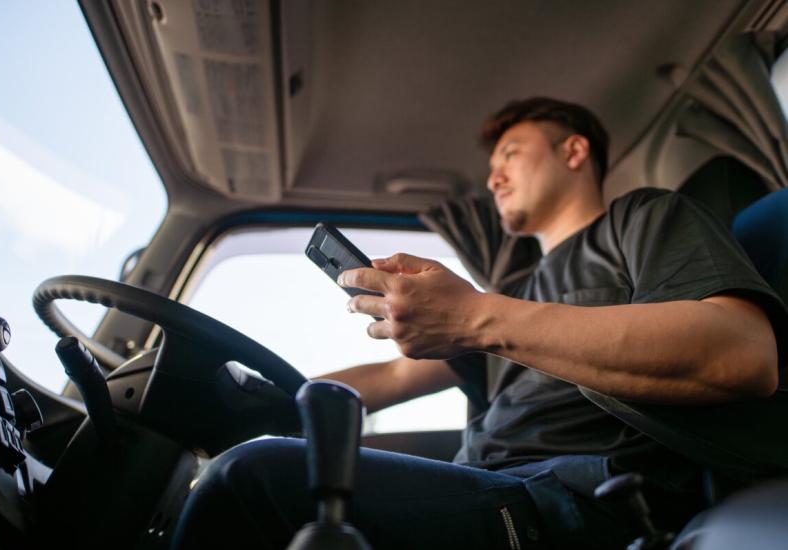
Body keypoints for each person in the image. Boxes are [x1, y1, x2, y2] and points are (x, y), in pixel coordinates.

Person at [171, 97, 786, 549]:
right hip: (480, 484)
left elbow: (742, 353)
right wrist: (264, 398)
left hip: (577, 503)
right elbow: (391, 377)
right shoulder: (512, 294)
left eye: (511, 154)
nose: (492, 177)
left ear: (574, 151)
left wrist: (476, 316)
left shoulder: (641, 221)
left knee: (249, 484)